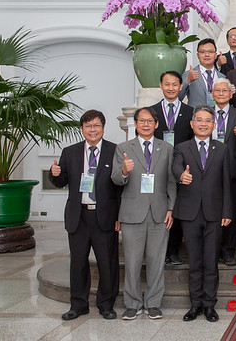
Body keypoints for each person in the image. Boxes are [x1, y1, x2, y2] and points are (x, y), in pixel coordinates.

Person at [49, 109, 121, 321]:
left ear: (103, 128)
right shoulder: (70, 152)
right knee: (78, 262)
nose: (92, 129)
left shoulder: (114, 151)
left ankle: (106, 305)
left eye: (96, 125)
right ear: (82, 129)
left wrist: (119, 216)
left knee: (107, 263)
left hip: (104, 216)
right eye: (88, 126)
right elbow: (61, 181)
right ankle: (78, 305)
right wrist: (55, 175)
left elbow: (120, 187)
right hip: (78, 216)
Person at [111, 107, 176, 320]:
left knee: (157, 262)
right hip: (132, 213)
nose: (145, 125)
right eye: (142, 121)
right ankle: (132, 304)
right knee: (132, 262)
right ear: (135, 124)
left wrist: (171, 208)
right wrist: (124, 171)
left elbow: (171, 181)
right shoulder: (123, 148)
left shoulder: (166, 148)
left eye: (149, 121)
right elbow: (115, 179)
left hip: (159, 213)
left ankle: (153, 303)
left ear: (156, 124)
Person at [172, 106, 233, 322]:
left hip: (214, 213)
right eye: (199, 120)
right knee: (195, 261)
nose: (203, 124)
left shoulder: (222, 149)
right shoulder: (182, 147)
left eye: (208, 120)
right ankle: (195, 304)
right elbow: (176, 168)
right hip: (190, 213)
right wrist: (182, 176)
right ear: (192, 123)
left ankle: (209, 305)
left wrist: (227, 210)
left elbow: (227, 182)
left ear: (214, 125)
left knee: (211, 261)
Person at [150, 70, 193, 265]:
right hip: (156, 166)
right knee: (159, 206)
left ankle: (173, 250)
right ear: (161, 86)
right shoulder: (151, 112)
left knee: (176, 207)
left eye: (175, 84)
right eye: (167, 84)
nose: (171, 88)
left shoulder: (190, 112)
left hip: (181, 168)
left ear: (181, 86)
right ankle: (158, 250)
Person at [210, 78, 236, 267]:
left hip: (232, 170)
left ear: (231, 94)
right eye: (217, 90)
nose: (221, 94)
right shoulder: (205, 114)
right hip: (208, 170)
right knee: (211, 212)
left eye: (224, 91)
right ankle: (213, 250)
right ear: (212, 94)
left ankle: (228, 251)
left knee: (231, 212)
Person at [181, 39, 225, 107]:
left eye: (210, 52)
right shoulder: (188, 74)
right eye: (202, 52)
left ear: (216, 55)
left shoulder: (222, 77)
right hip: (195, 113)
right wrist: (188, 81)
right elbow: (177, 97)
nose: (207, 55)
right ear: (197, 55)